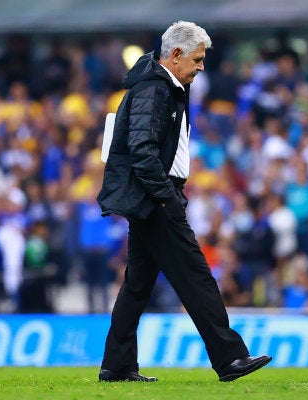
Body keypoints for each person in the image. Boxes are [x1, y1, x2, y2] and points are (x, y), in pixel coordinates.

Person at [96, 21, 271, 382]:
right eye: (198, 59)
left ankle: (117, 364)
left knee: (138, 285)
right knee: (196, 276)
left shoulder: (161, 86)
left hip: (154, 197)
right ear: (176, 55)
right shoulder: (154, 90)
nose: (201, 67)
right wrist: (166, 198)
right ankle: (230, 358)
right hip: (156, 199)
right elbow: (141, 150)